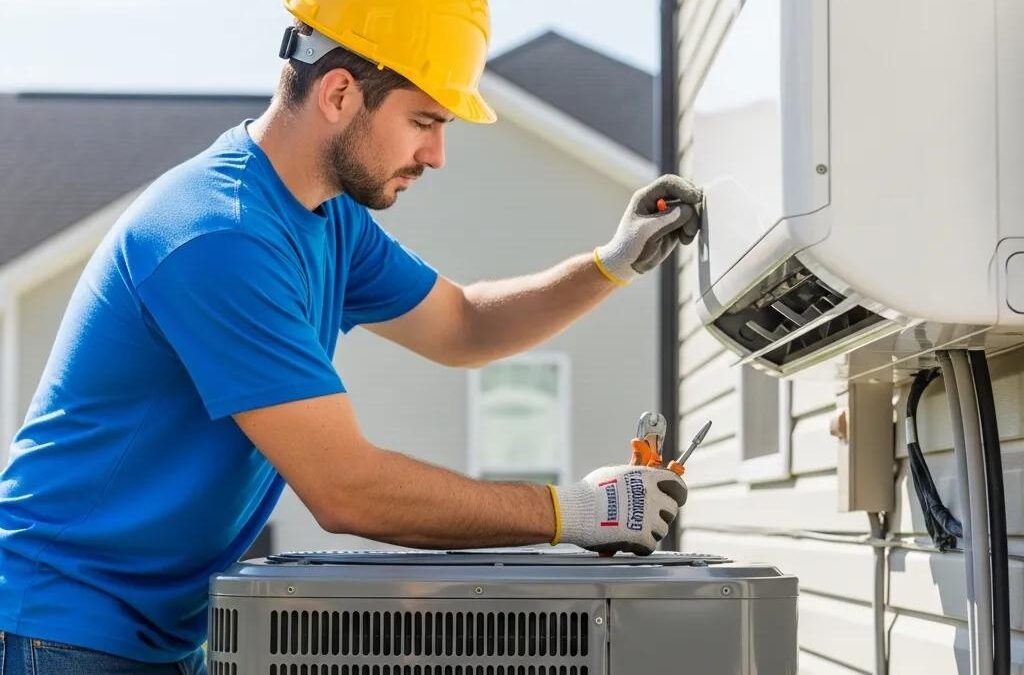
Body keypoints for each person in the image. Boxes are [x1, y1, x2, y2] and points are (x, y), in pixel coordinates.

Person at [0, 1, 703, 673]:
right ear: (339, 93)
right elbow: (346, 490)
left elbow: (463, 323)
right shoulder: (220, 235)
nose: (436, 154)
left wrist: (612, 263)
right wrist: (581, 511)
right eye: (424, 121)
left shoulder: (325, 217)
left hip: (158, 625)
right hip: (61, 622)